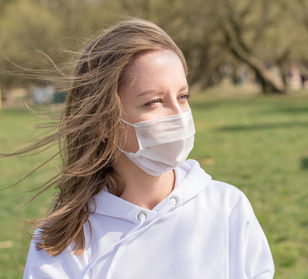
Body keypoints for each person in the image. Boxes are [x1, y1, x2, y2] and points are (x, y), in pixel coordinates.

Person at [19, 18, 274, 278]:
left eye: (183, 96)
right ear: (103, 121)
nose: (178, 114)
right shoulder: (64, 240)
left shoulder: (227, 208)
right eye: (153, 102)